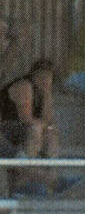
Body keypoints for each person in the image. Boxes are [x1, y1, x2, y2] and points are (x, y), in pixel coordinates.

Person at [0, 58, 63, 195]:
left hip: (21, 131)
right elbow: (26, 118)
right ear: (33, 74)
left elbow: (48, 121)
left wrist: (47, 95)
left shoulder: (43, 92)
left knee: (51, 134)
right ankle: (23, 182)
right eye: (41, 75)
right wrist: (44, 126)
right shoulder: (25, 85)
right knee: (35, 128)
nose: (45, 79)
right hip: (5, 130)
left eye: (48, 77)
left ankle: (51, 181)